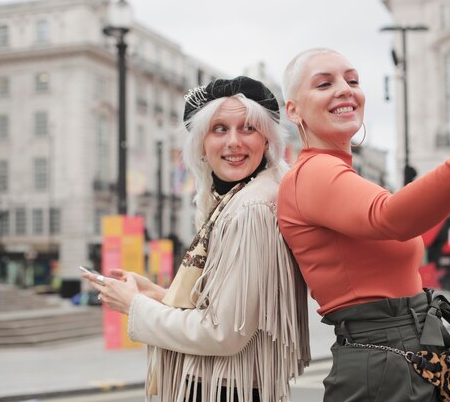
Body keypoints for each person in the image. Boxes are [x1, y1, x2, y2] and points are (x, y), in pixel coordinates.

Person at [277, 48, 450, 402]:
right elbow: (392, 217)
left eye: (353, 80)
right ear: (293, 109)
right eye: (324, 83)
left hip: (395, 356)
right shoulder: (312, 173)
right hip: (384, 364)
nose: (345, 89)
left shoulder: (338, 173)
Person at [83, 76, 310, 402]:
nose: (234, 141)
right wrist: (157, 294)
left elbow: (224, 333)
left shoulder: (250, 208)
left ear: (267, 141)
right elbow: (222, 309)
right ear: (202, 144)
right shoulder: (239, 197)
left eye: (248, 128)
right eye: (220, 129)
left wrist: (135, 306)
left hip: (226, 389)